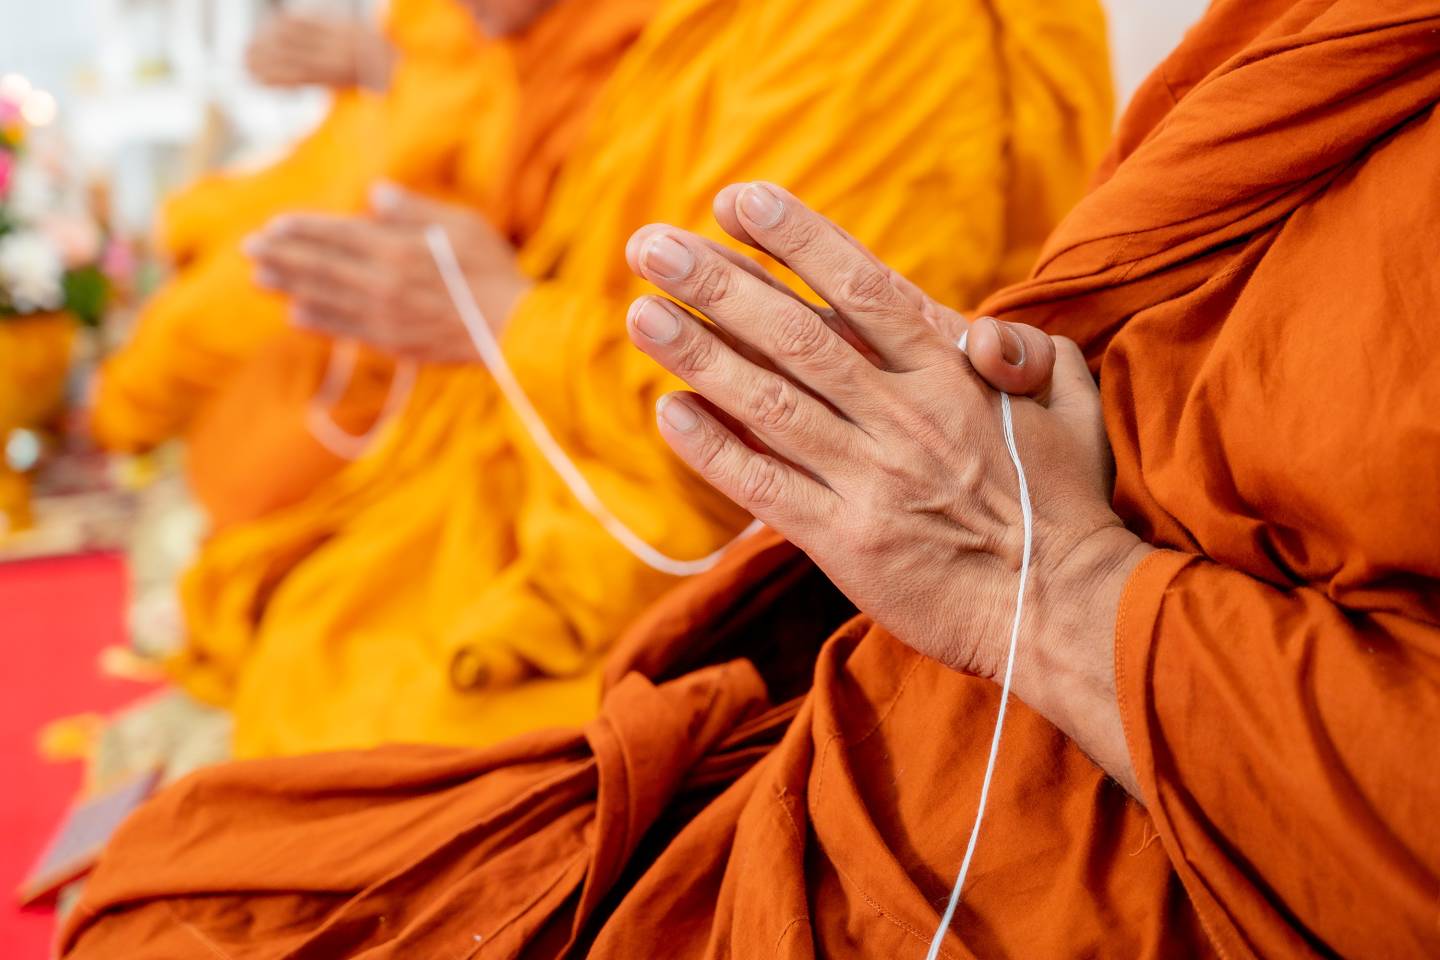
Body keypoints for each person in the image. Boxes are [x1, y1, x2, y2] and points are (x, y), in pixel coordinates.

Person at [58, 0, 1440, 956]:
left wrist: (1062, 586)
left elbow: (756, 454)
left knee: (221, 858)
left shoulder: (878, 34)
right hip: (866, 609)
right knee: (255, 752)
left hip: (1038, 724)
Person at [169, 0, 1112, 756]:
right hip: (551, 457)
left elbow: (806, 420)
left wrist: (502, 315)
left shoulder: (868, 28)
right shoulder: (646, 38)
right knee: (301, 611)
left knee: (337, 722)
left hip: (733, 555)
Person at [90, 0, 653, 531]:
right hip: (421, 274)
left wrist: (509, 315)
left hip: (532, 375)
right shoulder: (455, 33)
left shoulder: (639, 51)